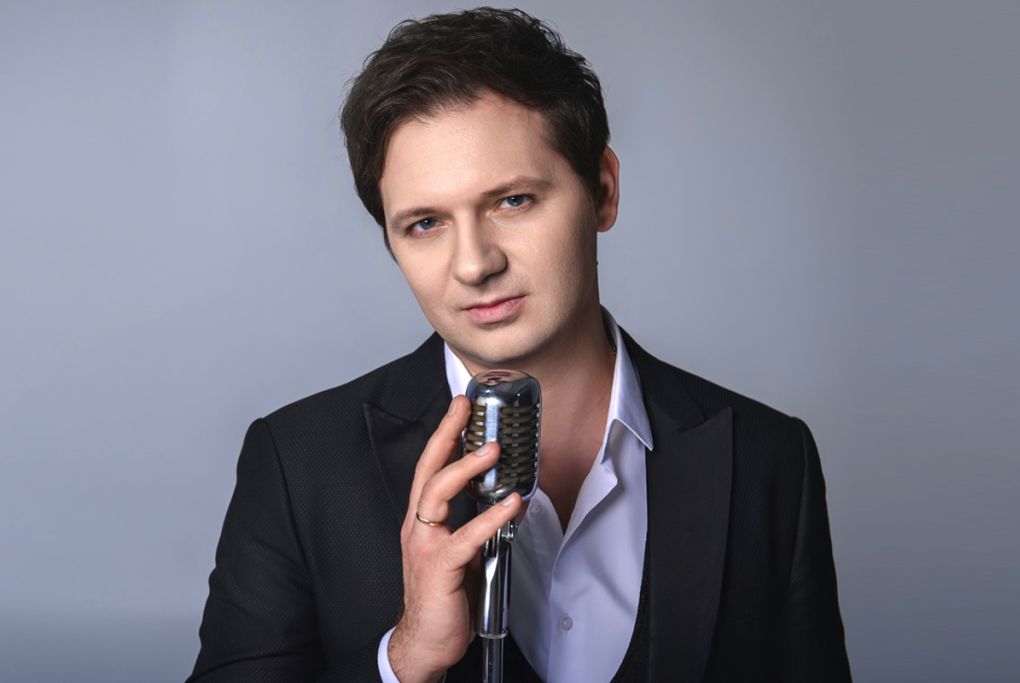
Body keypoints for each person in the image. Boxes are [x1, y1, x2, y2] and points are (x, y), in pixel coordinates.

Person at [187, 8, 851, 683]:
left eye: (512, 201)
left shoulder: (770, 458)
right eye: (425, 223)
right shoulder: (299, 463)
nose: (474, 264)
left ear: (603, 191)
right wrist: (406, 658)